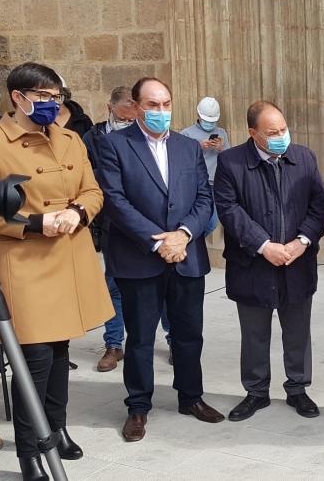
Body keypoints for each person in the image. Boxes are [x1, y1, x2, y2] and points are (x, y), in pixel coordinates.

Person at [0, 62, 113, 480]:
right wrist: (34, 223)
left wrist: (79, 212)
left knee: (61, 353)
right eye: (44, 97)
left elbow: (93, 189)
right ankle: (30, 452)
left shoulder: (69, 138)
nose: (52, 104)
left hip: (68, 257)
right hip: (23, 261)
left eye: (57, 97)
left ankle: (57, 428)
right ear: (18, 97)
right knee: (35, 359)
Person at [96, 77, 223, 443]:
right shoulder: (114, 146)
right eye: (153, 105)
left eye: (166, 104)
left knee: (188, 335)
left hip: (186, 256)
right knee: (140, 339)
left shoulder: (188, 147)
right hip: (140, 259)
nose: (161, 112)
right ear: (136, 107)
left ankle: (191, 397)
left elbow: (204, 197)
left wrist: (183, 235)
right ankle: (138, 407)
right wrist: (158, 243)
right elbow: (116, 202)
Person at [215, 101, 324, 422]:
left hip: (297, 262)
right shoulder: (231, 162)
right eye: (272, 132)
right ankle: (256, 391)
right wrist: (264, 245)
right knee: (254, 333)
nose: (281, 136)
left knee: (297, 331)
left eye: (283, 129)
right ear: (253, 133)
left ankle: (298, 389)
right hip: (253, 265)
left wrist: (302, 241)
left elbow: (319, 205)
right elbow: (229, 210)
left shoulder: (304, 157)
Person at [82, 86, 171, 372]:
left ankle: (173, 339)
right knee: (114, 286)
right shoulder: (95, 137)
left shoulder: (152, 135)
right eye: (124, 112)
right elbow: (90, 178)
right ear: (111, 107)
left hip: (158, 227)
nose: (129, 117)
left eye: (133, 112)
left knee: (169, 285)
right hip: (115, 226)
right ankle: (113, 344)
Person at [180, 96, 230, 236]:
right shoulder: (186, 133)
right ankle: (193, 243)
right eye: (207, 121)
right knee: (196, 217)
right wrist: (197, 147)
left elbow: (230, 159)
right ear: (198, 115)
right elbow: (179, 159)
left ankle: (194, 241)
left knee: (212, 222)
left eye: (212, 121)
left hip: (216, 183)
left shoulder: (221, 133)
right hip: (195, 183)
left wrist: (221, 148)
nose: (209, 124)